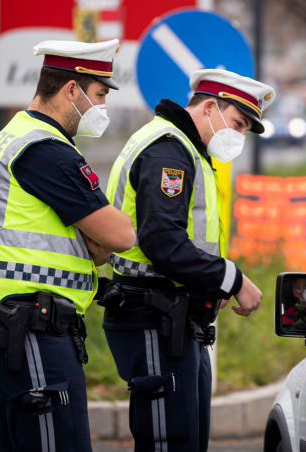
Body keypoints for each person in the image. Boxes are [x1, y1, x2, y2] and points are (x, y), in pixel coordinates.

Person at [0, 39, 136, 452]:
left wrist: (96, 239)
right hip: (28, 330)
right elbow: (120, 237)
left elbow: (98, 246)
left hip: (6, 326)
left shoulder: (18, 136)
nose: (101, 108)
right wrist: (101, 235)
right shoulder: (46, 150)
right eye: (98, 95)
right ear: (71, 90)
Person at [98, 69, 273, 451]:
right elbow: (162, 241)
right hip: (154, 319)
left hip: (174, 321)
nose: (238, 137)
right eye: (239, 124)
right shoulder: (168, 150)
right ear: (211, 107)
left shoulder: (188, 150)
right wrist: (233, 279)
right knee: (170, 443)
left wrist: (209, 281)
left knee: (186, 441)